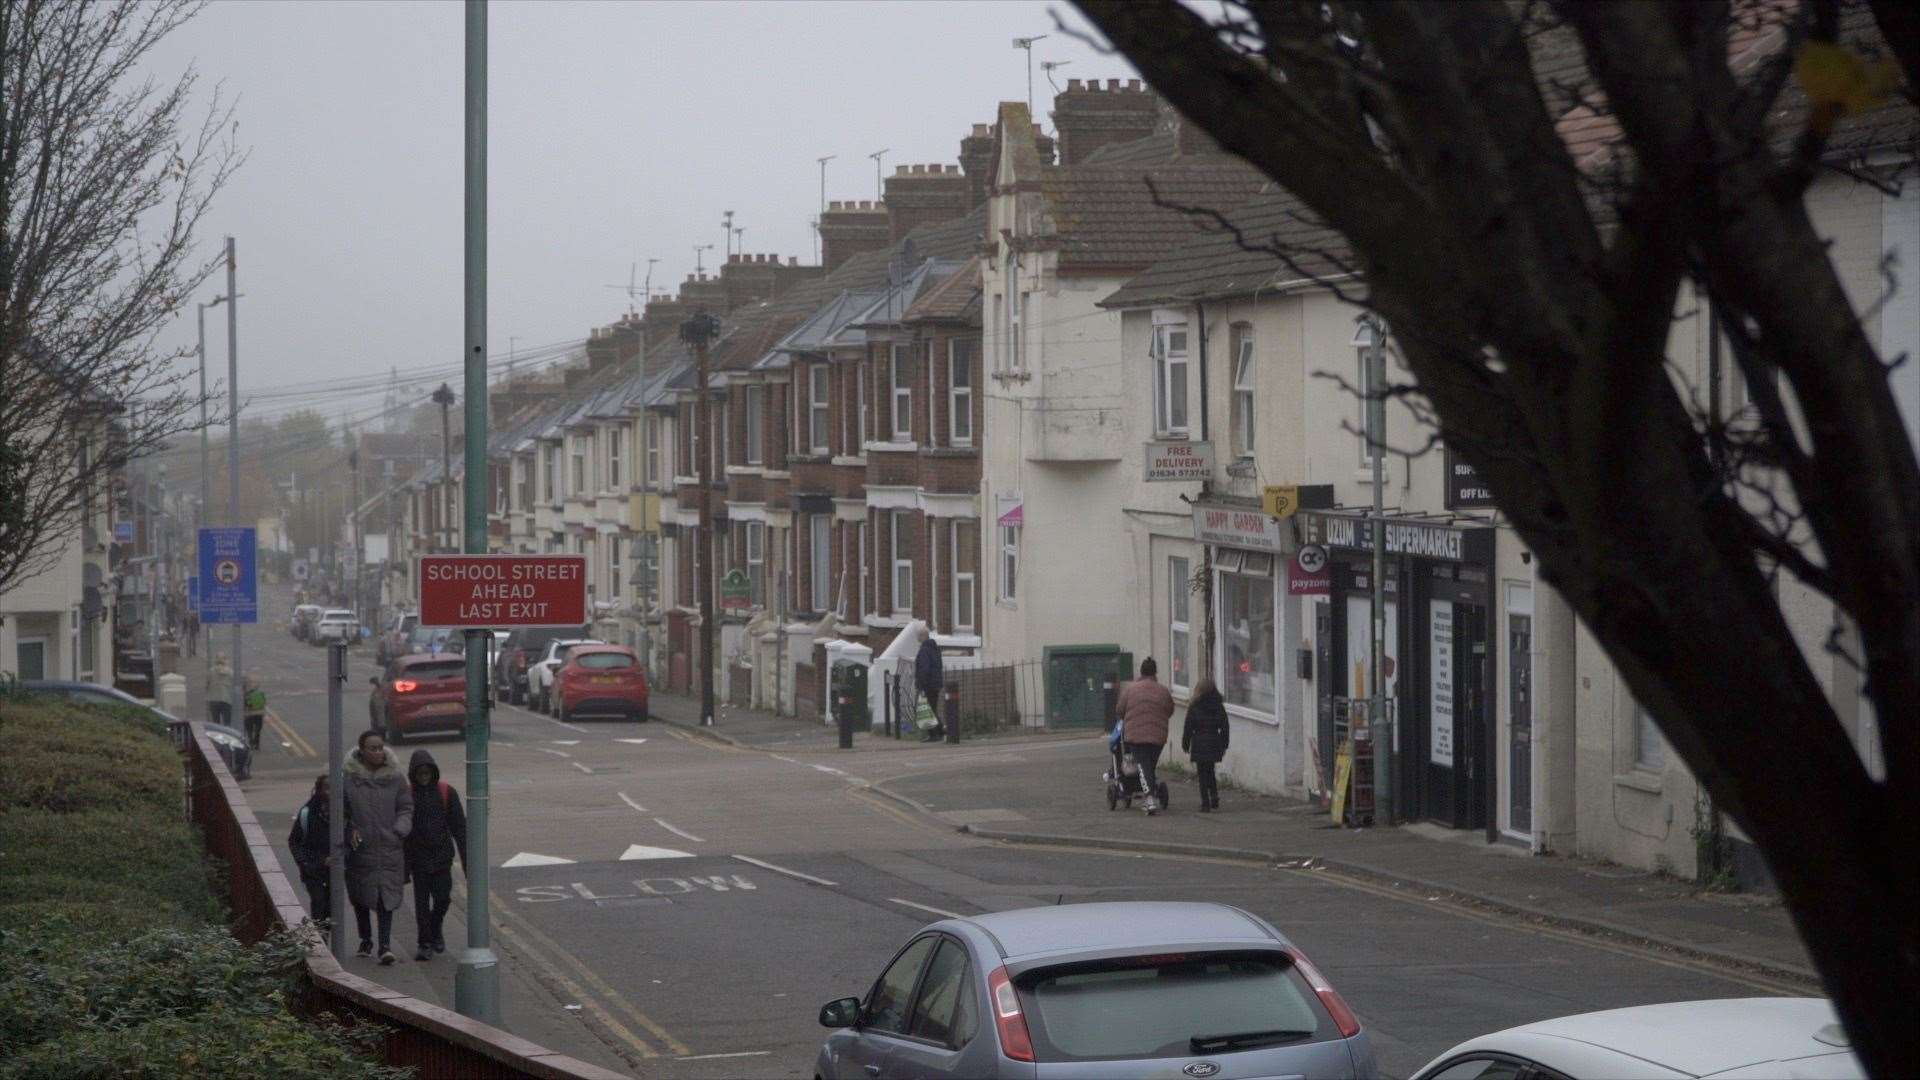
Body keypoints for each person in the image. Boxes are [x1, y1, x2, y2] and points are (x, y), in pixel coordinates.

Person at [343, 729, 412, 965]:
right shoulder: (349, 779)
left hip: (389, 847)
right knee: (360, 896)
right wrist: (349, 829)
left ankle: (384, 946)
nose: (378, 751)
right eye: (373, 748)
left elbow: (405, 807)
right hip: (360, 848)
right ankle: (365, 939)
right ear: (362, 750)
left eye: (381, 747)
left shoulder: (395, 778)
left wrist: (400, 829)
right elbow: (341, 810)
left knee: (386, 897)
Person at [402, 749, 467, 961]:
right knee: (421, 904)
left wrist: (468, 864)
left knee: (442, 899)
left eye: (427, 772)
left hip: (441, 857)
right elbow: (400, 834)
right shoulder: (406, 795)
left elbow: (460, 829)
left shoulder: (447, 792)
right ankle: (424, 943)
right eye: (419, 772)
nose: (423, 776)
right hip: (418, 858)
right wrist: (403, 869)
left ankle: (435, 926)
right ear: (413, 773)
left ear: (433, 771)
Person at [1115, 657, 1176, 815]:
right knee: (1150, 766)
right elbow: (1169, 710)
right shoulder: (1163, 691)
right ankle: (1150, 793)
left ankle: (1149, 799)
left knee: (1142, 766)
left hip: (1136, 736)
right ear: (1155, 672)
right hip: (1158, 736)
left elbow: (1120, 710)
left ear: (1141, 671)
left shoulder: (1130, 690)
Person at [288, 774, 334, 924]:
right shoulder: (308, 813)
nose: (331, 792)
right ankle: (320, 942)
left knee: (331, 911)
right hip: (313, 871)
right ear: (319, 790)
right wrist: (308, 863)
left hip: (335, 872)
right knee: (318, 906)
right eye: (327, 788)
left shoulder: (344, 813)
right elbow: (294, 842)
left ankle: (324, 938)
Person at [1181, 678, 1231, 812]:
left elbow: (1188, 727)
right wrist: (1224, 743)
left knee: (1202, 773)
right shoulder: (1218, 706)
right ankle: (1214, 796)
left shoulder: (1195, 706)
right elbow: (1225, 726)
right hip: (1214, 740)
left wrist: (1185, 744)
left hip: (1199, 741)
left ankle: (1205, 802)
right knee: (1210, 770)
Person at [915, 628, 946, 742]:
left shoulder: (924, 650)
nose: (917, 638)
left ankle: (934, 735)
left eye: (918, 636)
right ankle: (940, 731)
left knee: (928, 710)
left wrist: (922, 685)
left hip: (928, 684)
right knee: (932, 709)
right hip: (936, 683)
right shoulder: (935, 649)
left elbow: (924, 669)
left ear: (923, 636)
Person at [242, 676, 267, 751]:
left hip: (249, 714)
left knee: (249, 729)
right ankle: (257, 745)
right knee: (258, 730)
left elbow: (245, 705)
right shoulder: (261, 693)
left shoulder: (246, 694)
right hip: (259, 713)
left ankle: (251, 742)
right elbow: (264, 702)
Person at [207, 657, 233, 727]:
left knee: (216, 723)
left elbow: (207, 684)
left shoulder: (211, 671)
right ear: (225, 661)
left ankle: (217, 736)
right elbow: (234, 683)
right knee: (227, 722)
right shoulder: (230, 672)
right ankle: (226, 736)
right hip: (226, 699)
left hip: (213, 699)